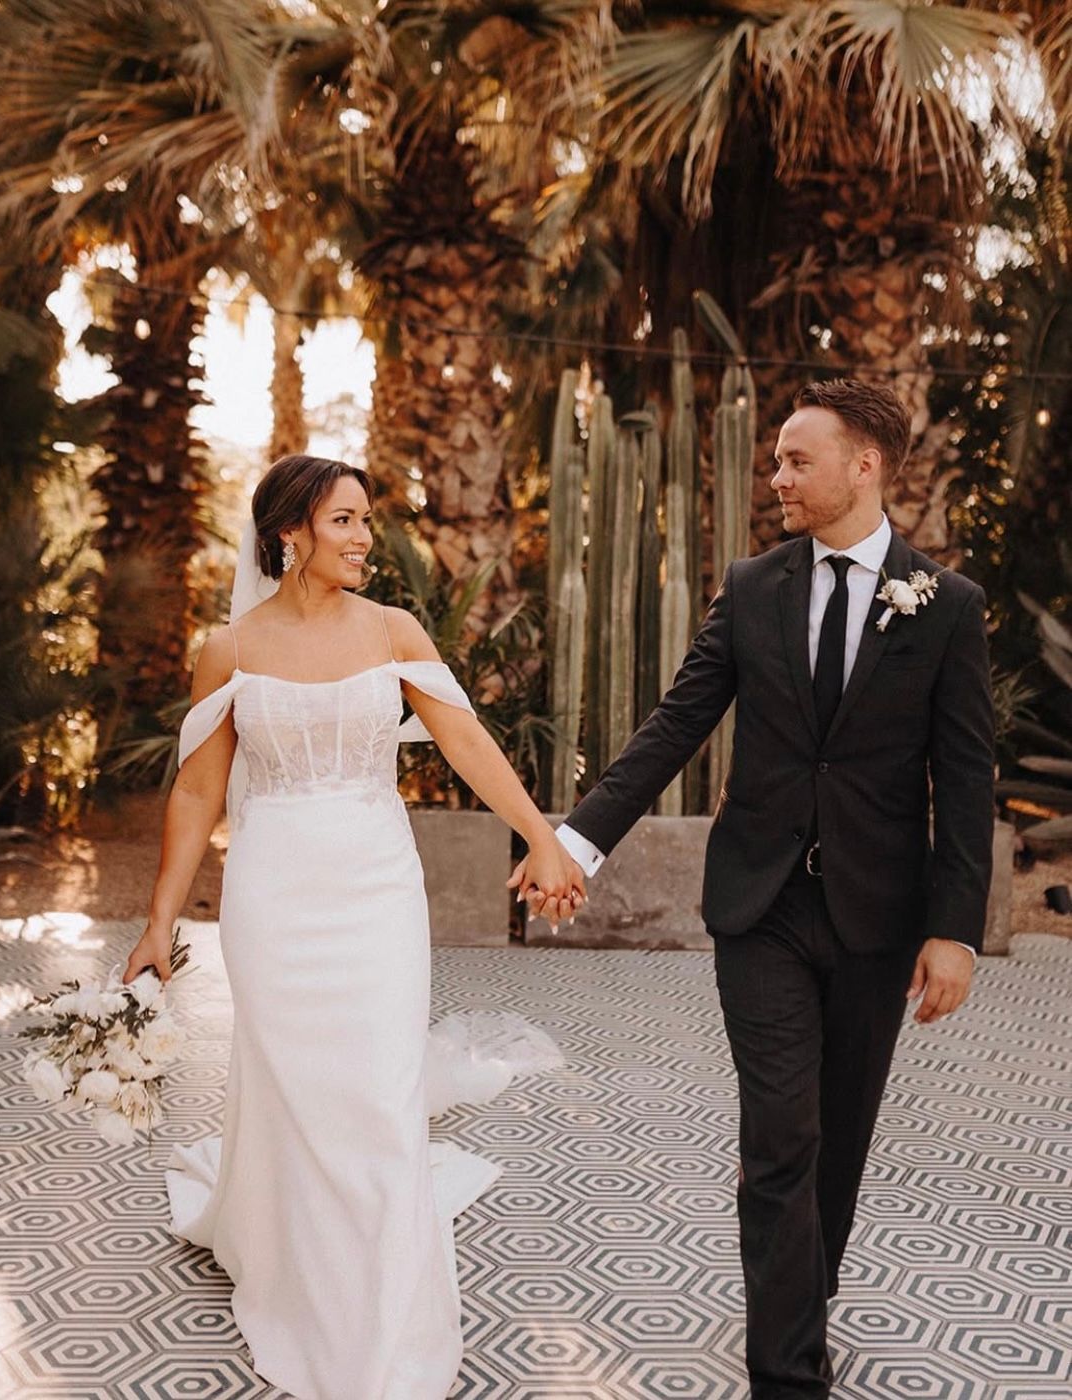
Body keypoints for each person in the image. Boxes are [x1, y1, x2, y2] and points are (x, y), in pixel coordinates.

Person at [512, 379, 995, 1397]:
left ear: (864, 465)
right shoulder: (753, 584)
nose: (775, 477)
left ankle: (800, 1300)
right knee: (783, 1129)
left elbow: (963, 778)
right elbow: (673, 726)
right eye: (773, 459)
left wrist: (953, 929)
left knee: (842, 1134)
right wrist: (575, 843)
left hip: (876, 915)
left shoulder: (946, 607)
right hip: (760, 908)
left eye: (794, 460)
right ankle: (787, 1373)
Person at [123, 454, 584, 1400]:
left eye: (367, 520)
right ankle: (296, 1265)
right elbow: (200, 788)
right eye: (345, 521)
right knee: (296, 1089)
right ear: (290, 531)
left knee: (376, 1093)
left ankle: (383, 1317)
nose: (366, 538)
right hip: (273, 893)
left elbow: (463, 739)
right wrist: (157, 923)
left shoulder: (394, 629)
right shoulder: (232, 650)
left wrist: (542, 837)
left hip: (376, 888)